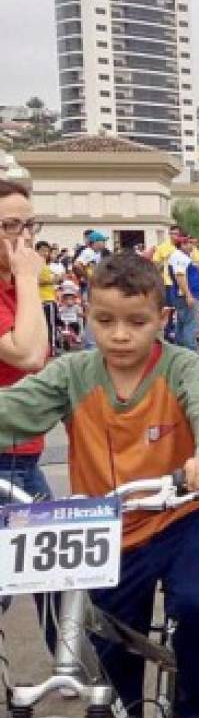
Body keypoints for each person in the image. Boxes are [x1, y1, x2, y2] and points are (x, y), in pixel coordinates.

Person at [0, 251, 199, 718]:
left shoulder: (180, 365)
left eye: (136, 322)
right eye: (105, 321)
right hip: (103, 529)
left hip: (178, 516)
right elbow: (15, 409)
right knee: (109, 656)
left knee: (198, 606)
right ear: (86, 316)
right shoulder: (73, 374)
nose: (120, 335)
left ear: (163, 320)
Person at [0, 180, 50, 499]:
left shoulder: (17, 286)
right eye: (10, 226)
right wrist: (28, 277)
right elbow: (28, 354)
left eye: (30, 225)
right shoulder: (24, 279)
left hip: (24, 449)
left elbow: (41, 349)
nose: (26, 237)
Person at [167, 236, 199, 352]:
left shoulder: (181, 256)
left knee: (182, 324)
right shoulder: (180, 257)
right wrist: (188, 295)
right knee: (190, 325)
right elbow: (180, 275)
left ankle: (180, 351)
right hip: (185, 295)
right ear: (181, 245)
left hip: (184, 295)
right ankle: (191, 353)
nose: (191, 246)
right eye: (188, 244)